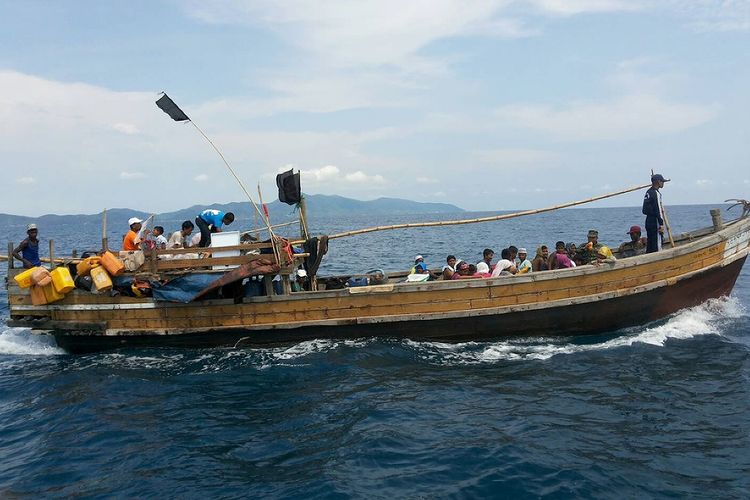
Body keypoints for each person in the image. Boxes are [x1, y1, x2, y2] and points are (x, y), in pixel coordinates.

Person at [643, 174, 668, 253]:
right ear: (658, 182)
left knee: (651, 242)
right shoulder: (655, 193)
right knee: (657, 244)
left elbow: (644, 210)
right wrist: (661, 224)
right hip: (655, 221)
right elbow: (658, 209)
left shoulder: (648, 192)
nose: (663, 183)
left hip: (648, 221)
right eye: (662, 181)